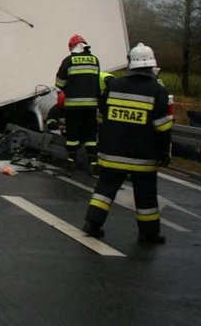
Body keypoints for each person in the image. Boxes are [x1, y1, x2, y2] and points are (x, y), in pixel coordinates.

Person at [82, 43, 172, 244]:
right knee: (146, 196)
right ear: (151, 65)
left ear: (130, 63)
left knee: (104, 189)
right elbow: (163, 127)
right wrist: (164, 151)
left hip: (111, 152)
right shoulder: (158, 91)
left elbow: (100, 117)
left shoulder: (114, 86)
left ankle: (92, 224)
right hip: (143, 156)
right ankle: (149, 234)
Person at [55, 34, 100, 172]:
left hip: (73, 106)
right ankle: (93, 163)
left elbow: (59, 83)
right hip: (91, 105)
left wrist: (68, 86)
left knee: (72, 135)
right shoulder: (95, 60)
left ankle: (71, 162)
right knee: (90, 134)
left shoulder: (69, 61)